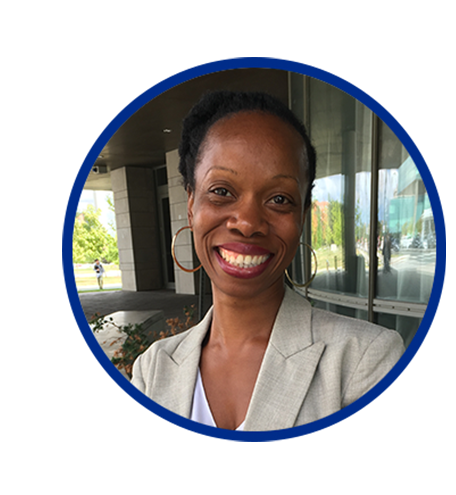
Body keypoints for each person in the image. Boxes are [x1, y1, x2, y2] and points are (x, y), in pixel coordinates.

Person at [131, 91, 404, 431]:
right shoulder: (153, 368)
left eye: (279, 199)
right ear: (191, 202)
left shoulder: (364, 359)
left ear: (303, 214)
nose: (247, 222)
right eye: (222, 191)